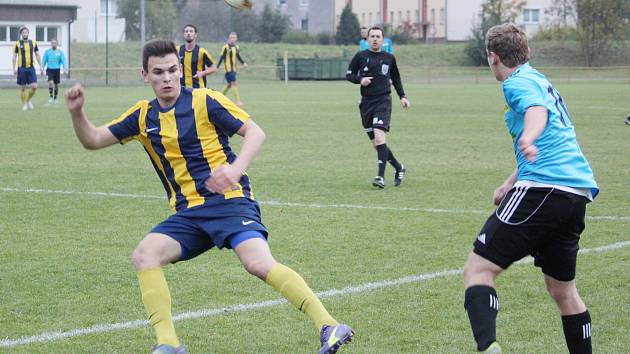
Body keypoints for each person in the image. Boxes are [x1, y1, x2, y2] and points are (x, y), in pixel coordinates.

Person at [64, 39, 354, 354]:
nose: (167, 78)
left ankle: (329, 325)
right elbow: (92, 140)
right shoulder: (142, 116)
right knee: (145, 255)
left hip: (230, 202)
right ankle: (168, 344)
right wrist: (78, 113)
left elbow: (256, 132)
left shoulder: (205, 100)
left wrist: (235, 168)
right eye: (158, 72)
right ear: (145, 76)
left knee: (257, 263)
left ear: (180, 71)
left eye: (173, 70)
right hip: (189, 214)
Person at [463, 24, 599, 354]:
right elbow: (554, 134)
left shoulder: (517, 82)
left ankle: (488, 348)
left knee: (478, 270)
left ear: (493, 57)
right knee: (562, 291)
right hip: (574, 195)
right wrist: (509, 183)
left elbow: (537, 114)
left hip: (545, 189)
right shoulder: (538, 78)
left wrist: (527, 136)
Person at [346, 26, 410, 189]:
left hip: (383, 101)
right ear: (367, 39)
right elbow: (349, 74)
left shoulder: (389, 58)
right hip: (366, 103)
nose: (375, 39)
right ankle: (398, 167)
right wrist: (360, 80)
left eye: (378, 36)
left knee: (380, 137)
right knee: (376, 144)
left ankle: (380, 177)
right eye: (372, 36)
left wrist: (402, 96)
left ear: (382, 40)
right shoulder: (361, 56)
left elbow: (396, 78)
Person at [177, 24, 217, 88]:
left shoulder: (202, 52)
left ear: (195, 35)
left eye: (191, 31)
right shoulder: (177, 50)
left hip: (198, 88)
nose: (188, 33)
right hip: (182, 89)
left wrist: (202, 73)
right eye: (186, 31)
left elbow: (214, 68)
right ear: (184, 35)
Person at [12, 26, 42, 111]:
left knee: (35, 86)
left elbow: (37, 54)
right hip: (21, 68)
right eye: (23, 32)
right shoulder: (17, 44)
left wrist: (41, 66)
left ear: (28, 33)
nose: (25, 34)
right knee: (22, 88)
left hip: (31, 68)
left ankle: (28, 100)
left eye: (26, 32)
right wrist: (13, 68)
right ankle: (24, 104)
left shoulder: (33, 43)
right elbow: (14, 57)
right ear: (21, 34)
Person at [217, 32, 248, 107]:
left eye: (233, 38)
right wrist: (217, 67)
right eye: (231, 37)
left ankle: (218, 98)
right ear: (229, 38)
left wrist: (243, 63)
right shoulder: (226, 47)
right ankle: (238, 101)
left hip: (234, 69)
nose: (232, 39)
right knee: (234, 83)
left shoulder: (236, 47)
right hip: (228, 69)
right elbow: (222, 58)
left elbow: (238, 56)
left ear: (236, 39)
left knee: (229, 85)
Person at [41, 39, 67, 104]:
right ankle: (50, 97)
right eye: (52, 43)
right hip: (49, 70)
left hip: (57, 70)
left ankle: (55, 98)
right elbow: (44, 60)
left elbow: (63, 61)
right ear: (51, 44)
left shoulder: (60, 52)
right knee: (50, 82)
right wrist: (42, 68)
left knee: (56, 84)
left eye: (55, 43)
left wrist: (64, 69)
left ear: (57, 44)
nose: (54, 44)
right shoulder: (47, 52)